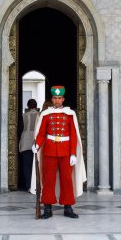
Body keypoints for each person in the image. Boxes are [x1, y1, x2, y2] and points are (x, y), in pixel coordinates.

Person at [31, 86, 86, 219]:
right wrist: (37, 144)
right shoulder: (46, 114)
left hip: (66, 152)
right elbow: (42, 133)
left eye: (59, 98)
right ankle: (48, 208)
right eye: (55, 98)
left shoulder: (70, 114)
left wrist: (73, 153)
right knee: (48, 180)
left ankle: (68, 207)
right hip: (49, 151)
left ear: (63, 99)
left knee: (66, 180)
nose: (57, 101)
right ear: (52, 99)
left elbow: (73, 135)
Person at [19, 98, 39, 191]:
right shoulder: (40, 116)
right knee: (37, 166)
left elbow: (19, 130)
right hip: (37, 143)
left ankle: (29, 186)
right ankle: (37, 186)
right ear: (36, 106)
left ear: (28, 106)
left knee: (27, 166)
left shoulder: (23, 116)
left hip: (25, 143)